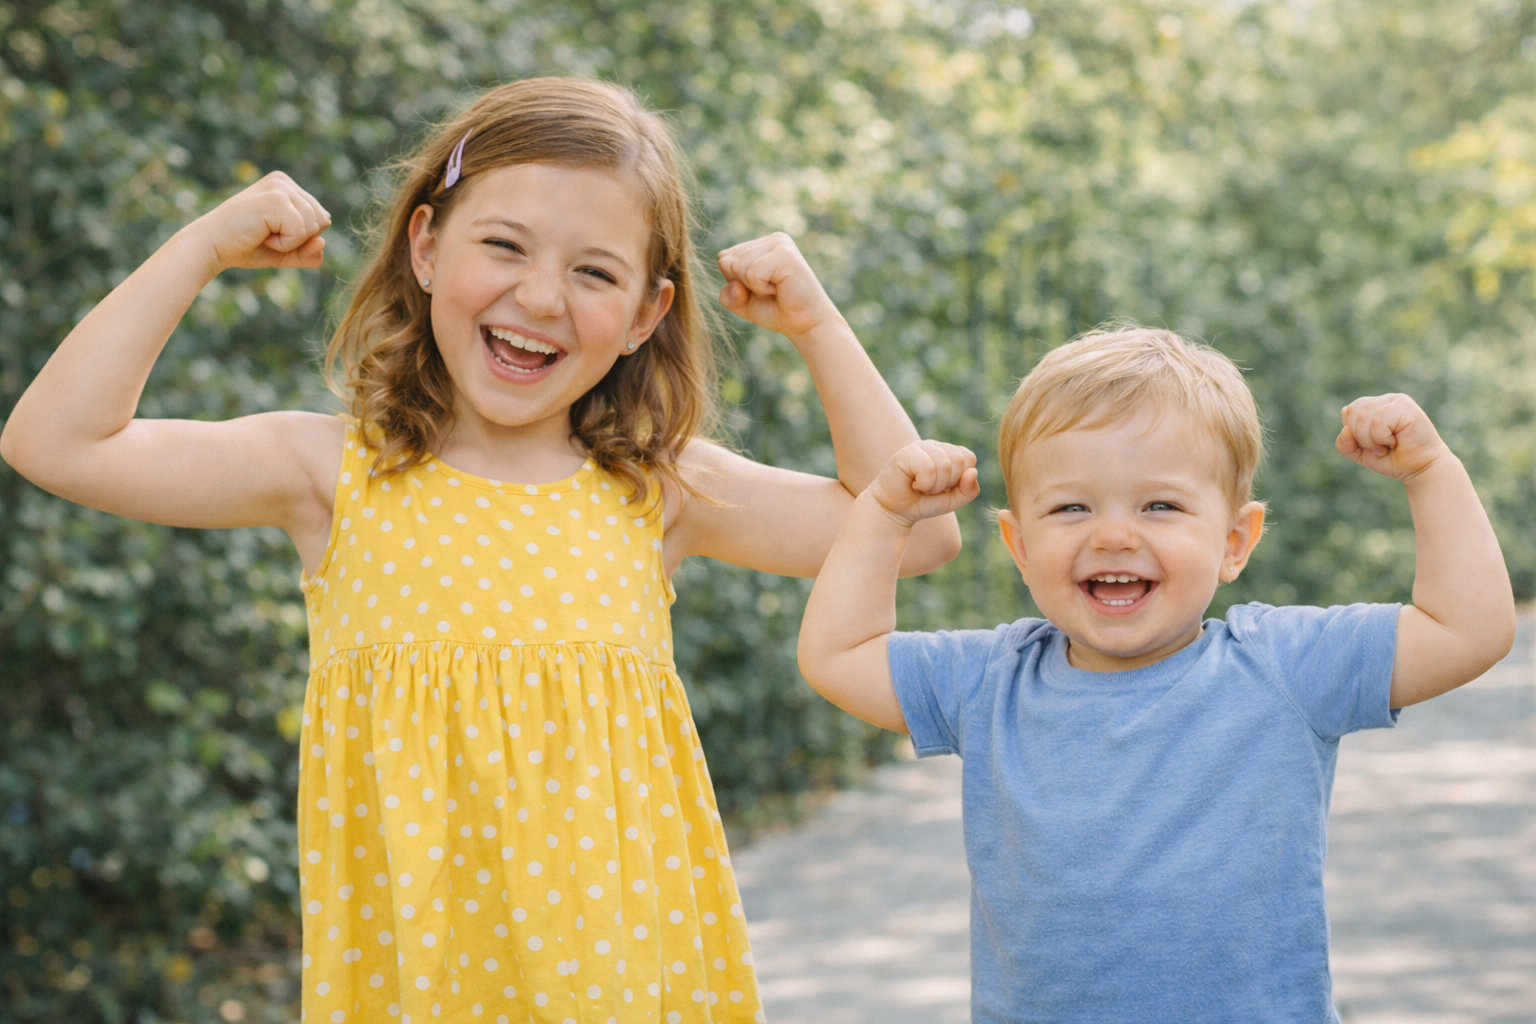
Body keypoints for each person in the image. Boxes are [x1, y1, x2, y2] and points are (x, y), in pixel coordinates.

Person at [0, 77, 961, 1023]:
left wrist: (816, 325)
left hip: (622, 977)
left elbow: (914, 529)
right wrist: (202, 246)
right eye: (502, 245)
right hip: (419, 983)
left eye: (595, 271)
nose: (540, 295)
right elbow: (55, 443)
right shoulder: (331, 472)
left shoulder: (656, 488)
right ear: (424, 245)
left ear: (644, 316)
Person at [795, 326, 1515, 1023]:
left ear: (1235, 542)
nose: (1112, 533)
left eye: (1160, 505)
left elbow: (1468, 629)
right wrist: (884, 516)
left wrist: (1430, 473)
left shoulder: (1284, 667)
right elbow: (840, 654)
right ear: (1018, 543)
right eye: (1071, 506)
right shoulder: (991, 680)